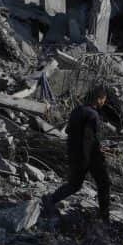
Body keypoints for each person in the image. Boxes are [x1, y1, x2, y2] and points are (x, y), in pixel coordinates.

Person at [43, 85, 111, 221]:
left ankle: (50, 199)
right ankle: (104, 217)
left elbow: (70, 132)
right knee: (104, 183)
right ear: (98, 99)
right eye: (103, 99)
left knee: (74, 185)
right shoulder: (93, 115)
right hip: (89, 156)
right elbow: (89, 140)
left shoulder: (77, 110)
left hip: (75, 153)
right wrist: (95, 155)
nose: (103, 102)